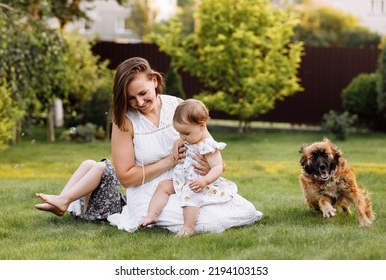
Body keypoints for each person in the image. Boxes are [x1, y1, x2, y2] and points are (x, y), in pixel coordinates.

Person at [107, 56, 262, 233]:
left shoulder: (178, 106)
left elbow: (214, 153)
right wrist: (169, 162)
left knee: (245, 210)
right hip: (151, 191)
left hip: (188, 180)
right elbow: (126, 178)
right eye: (131, 98)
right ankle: (154, 215)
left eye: (143, 93)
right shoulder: (124, 122)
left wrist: (206, 168)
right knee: (208, 221)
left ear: (154, 81)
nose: (139, 103)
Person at [139, 99, 239, 236]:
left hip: (199, 183)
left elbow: (218, 167)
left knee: (190, 197)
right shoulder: (192, 136)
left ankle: (188, 227)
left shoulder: (208, 146)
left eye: (186, 133)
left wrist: (204, 181)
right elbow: (182, 140)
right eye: (179, 133)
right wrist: (177, 142)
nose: (183, 137)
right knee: (163, 186)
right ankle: (152, 214)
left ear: (202, 125)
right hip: (183, 179)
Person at [35, 159, 126, 221]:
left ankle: (63, 201)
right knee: (88, 163)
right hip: (90, 208)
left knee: (102, 166)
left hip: (113, 211)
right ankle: (61, 202)